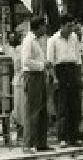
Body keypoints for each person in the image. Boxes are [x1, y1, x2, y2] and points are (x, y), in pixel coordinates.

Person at [46, 14, 83, 148]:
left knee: (75, 106)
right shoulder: (53, 40)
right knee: (62, 106)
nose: (71, 29)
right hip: (60, 71)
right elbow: (50, 62)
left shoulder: (74, 38)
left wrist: (78, 77)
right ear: (62, 26)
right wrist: (54, 78)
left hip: (72, 70)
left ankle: (74, 136)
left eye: (72, 26)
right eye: (68, 26)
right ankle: (62, 137)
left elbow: (78, 59)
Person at [21, 16, 53, 153]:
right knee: (32, 111)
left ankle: (41, 142)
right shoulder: (28, 41)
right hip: (32, 76)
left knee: (42, 111)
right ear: (39, 26)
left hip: (40, 75)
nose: (45, 29)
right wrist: (42, 64)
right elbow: (26, 61)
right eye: (44, 26)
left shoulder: (37, 41)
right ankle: (28, 144)